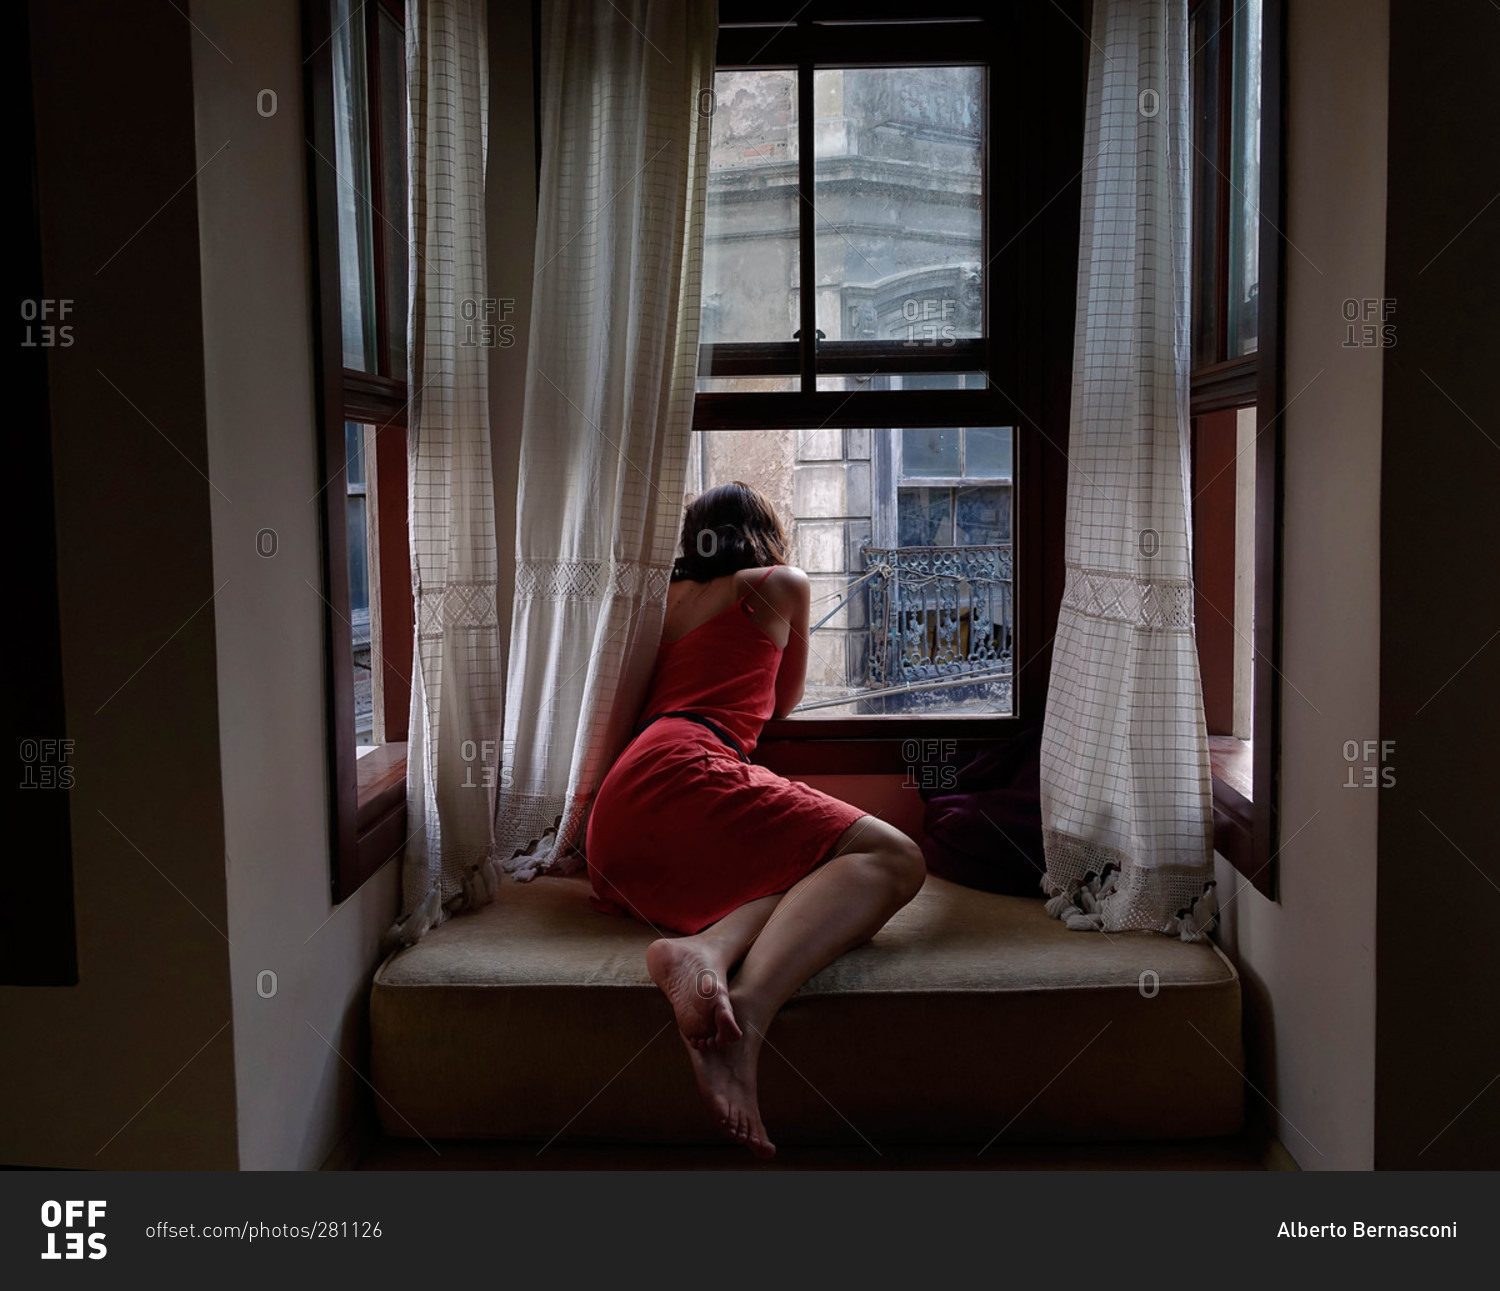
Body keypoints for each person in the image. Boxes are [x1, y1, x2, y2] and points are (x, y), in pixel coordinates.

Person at [585, 481, 926, 1158]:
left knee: (809, 873)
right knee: (895, 858)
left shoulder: (659, 601)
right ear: (765, 535)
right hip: (689, 767)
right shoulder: (781, 582)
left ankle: (704, 950)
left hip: (615, 824)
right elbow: (783, 703)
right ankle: (754, 1014)